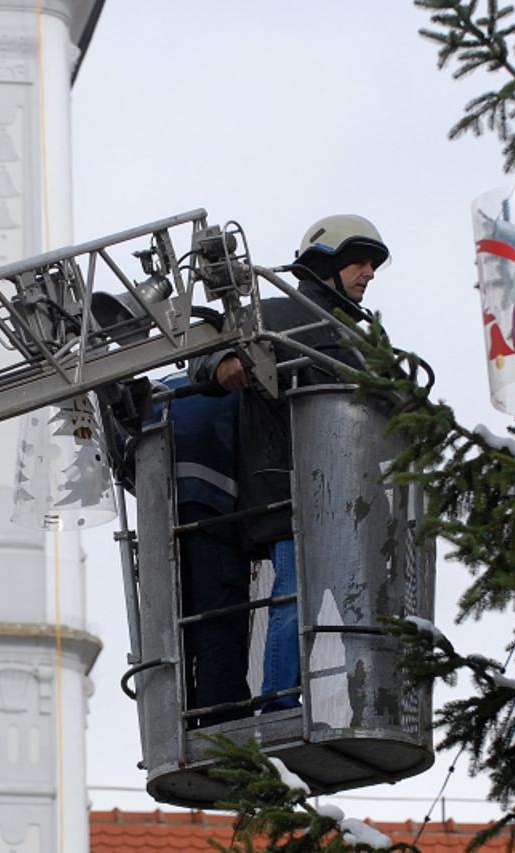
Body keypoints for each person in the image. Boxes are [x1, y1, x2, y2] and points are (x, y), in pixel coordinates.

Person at [192, 214, 391, 712]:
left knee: (343, 602)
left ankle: (341, 702)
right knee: (294, 596)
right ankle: (281, 703)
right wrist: (222, 365)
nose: (368, 273)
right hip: (288, 484)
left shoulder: (360, 339)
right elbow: (205, 352)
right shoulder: (276, 312)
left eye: (372, 266)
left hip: (344, 493)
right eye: (359, 262)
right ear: (326, 264)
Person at [156, 373, 252, 728]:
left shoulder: (163, 391)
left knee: (176, 631)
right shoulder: (238, 386)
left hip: (161, 526)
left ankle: (178, 720)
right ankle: (224, 724)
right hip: (214, 516)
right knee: (219, 624)